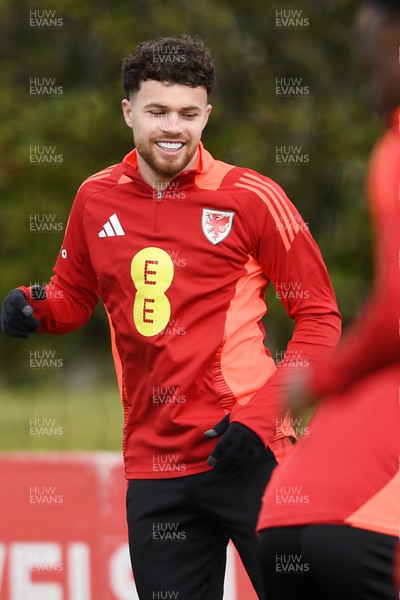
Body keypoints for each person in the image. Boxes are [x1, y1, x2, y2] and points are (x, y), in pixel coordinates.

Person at [1, 35, 341, 600]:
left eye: (188, 114)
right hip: (155, 469)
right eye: (157, 111)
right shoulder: (95, 198)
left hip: (252, 450)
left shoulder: (251, 197)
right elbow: (72, 298)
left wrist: (259, 421)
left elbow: (321, 320)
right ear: (128, 110)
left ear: (207, 114)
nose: (173, 128)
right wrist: (31, 307)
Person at [258, 1, 400, 599]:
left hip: (288, 524)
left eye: (377, 51)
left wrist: (323, 378)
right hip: (364, 529)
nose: (371, 76)